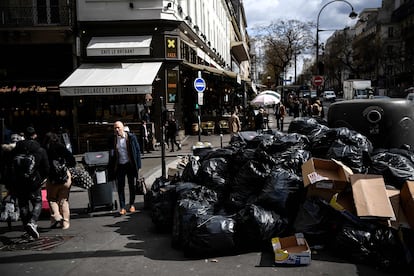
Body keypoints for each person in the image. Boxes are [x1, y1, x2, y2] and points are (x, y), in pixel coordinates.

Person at [10, 127, 49, 240]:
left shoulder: (16, 149)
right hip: (34, 181)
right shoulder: (40, 150)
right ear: (35, 135)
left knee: (23, 204)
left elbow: (8, 165)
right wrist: (42, 178)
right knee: (37, 202)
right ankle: (32, 222)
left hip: (19, 181)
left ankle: (27, 228)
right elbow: (46, 168)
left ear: (24, 135)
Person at [43, 132, 76, 229]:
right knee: (64, 200)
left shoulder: (45, 149)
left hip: (52, 178)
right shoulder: (61, 147)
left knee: (52, 199)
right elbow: (72, 160)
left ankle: (56, 215)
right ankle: (65, 223)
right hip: (64, 177)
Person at [111, 121, 142, 215]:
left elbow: (137, 151)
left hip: (130, 164)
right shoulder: (113, 139)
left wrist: (138, 166)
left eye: (118, 128)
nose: (117, 130)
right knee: (120, 187)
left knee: (131, 185)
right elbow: (111, 153)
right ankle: (122, 207)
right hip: (120, 165)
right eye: (115, 128)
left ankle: (132, 205)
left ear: (123, 128)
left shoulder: (131, 137)